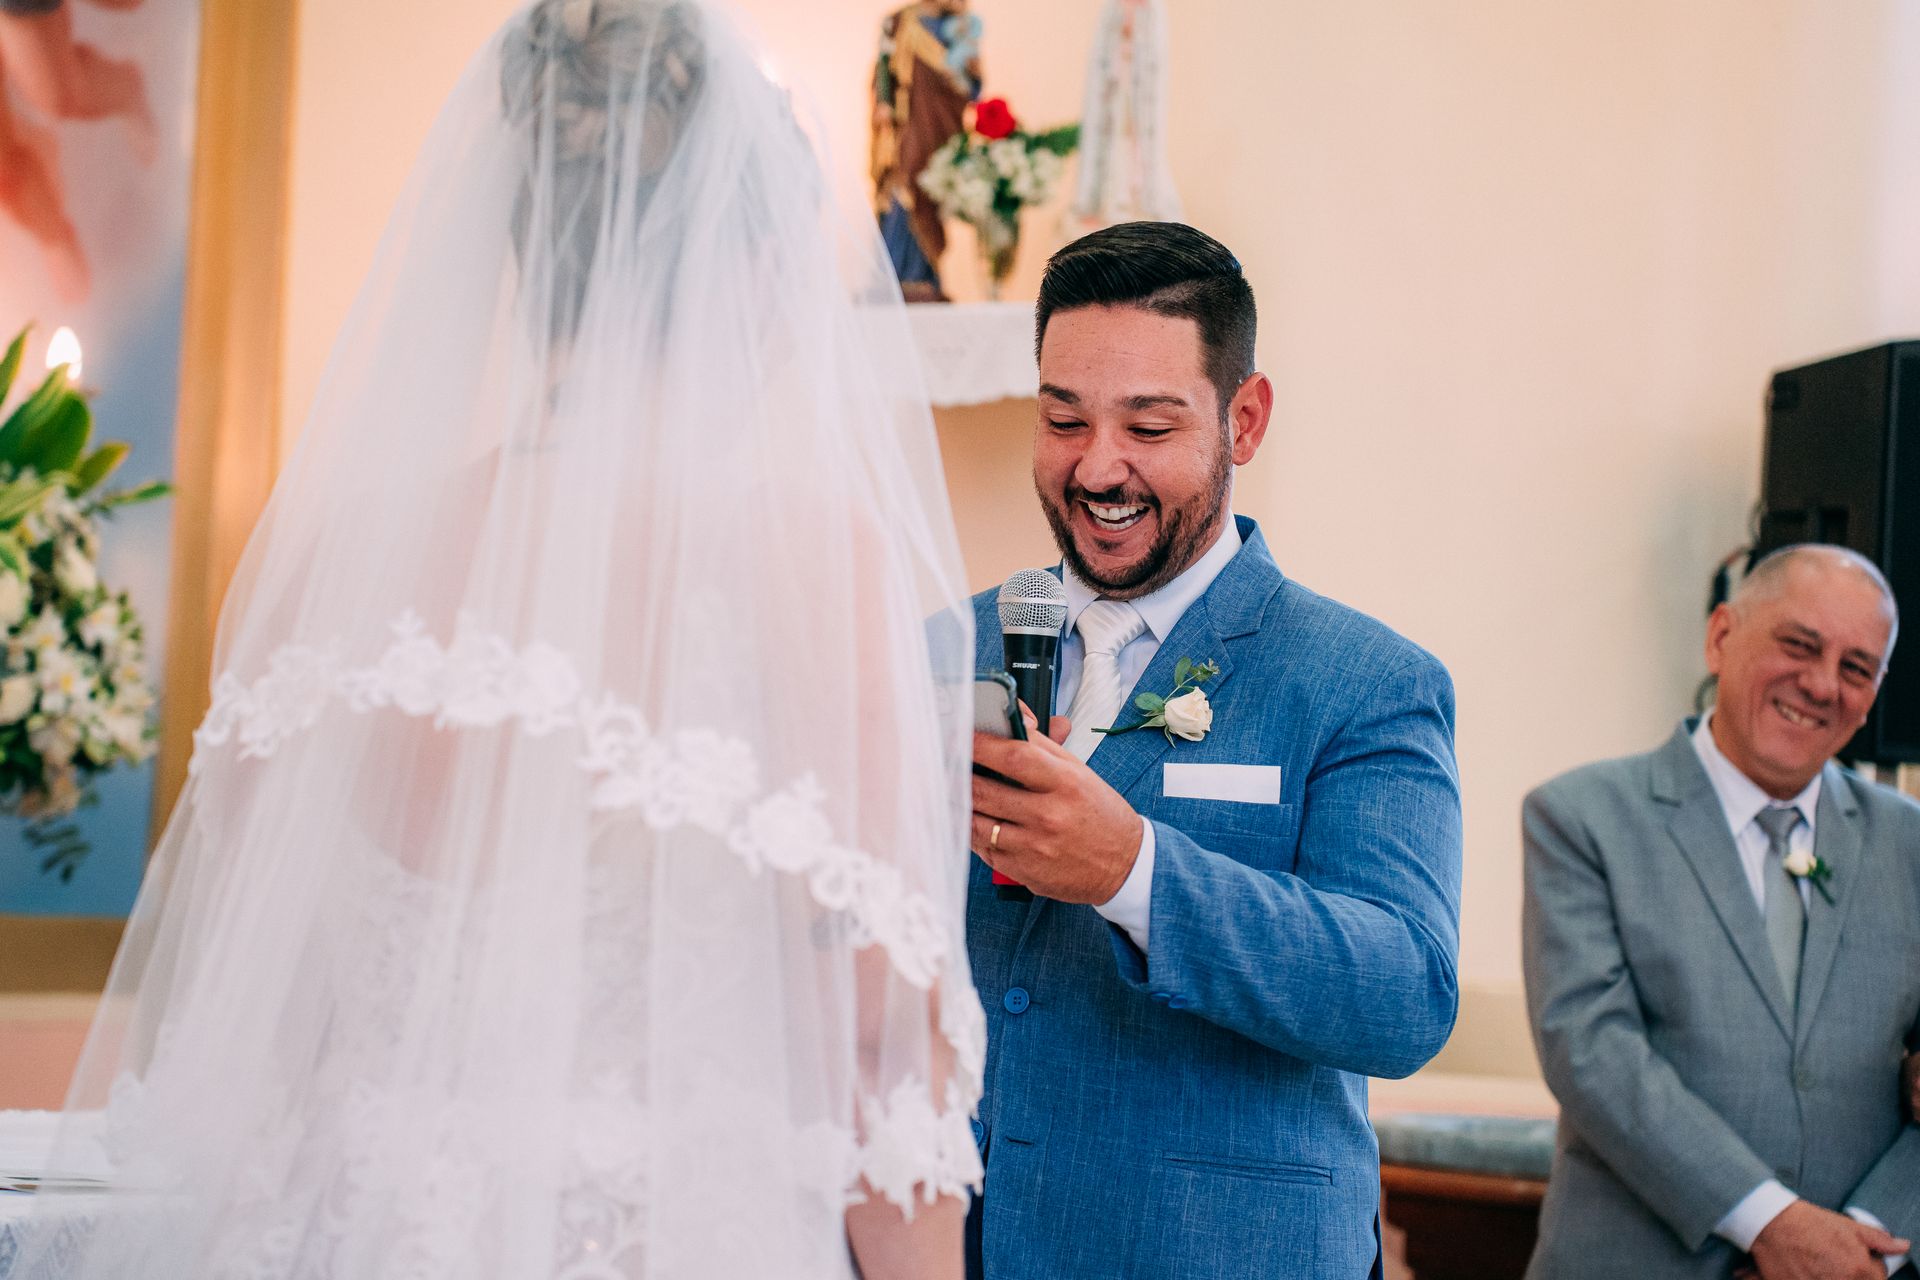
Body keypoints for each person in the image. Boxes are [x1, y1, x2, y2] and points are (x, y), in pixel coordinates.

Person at [15, 2, 984, 1277]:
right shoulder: (809, 560)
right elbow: (876, 1048)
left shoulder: (335, 564)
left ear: (516, 248)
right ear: (741, 265)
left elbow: (255, 1016)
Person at [965, 221, 1464, 1279]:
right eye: (1064, 419)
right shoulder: (944, 645)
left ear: (1245, 418)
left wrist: (1132, 871)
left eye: (1149, 425)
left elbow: (1404, 992)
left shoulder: (1367, 681)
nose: (1098, 466)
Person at [1523, 544, 1920, 1280]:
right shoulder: (1582, 819)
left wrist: (1863, 1241)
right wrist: (1773, 1223)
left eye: (1856, 667)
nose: (1823, 683)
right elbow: (1592, 1051)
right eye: (1799, 645)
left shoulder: (1911, 846)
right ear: (1721, 636)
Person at [870, 0, 979, 301]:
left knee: (931, 194)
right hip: (908, 124)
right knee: (902, 189)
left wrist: (969, 69)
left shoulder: (956, 26)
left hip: (940, 129)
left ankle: (924, 274)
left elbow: (971, 86)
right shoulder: (900, 21)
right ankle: (895, 275)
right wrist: (883, 102)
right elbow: (883, 64)